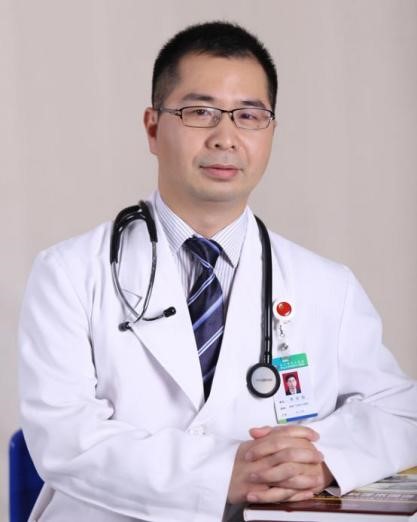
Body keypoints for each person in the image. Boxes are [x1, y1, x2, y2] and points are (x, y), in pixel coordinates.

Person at [19, 21, 417, 522]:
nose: (226, 138)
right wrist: (222, 472)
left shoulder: (326, 285)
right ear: (152, 128)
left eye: (249, 115)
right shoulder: (69, 273)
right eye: (200, 112)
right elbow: (64, 440)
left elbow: (401, 411)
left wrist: (319, 458)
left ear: (270, 132)